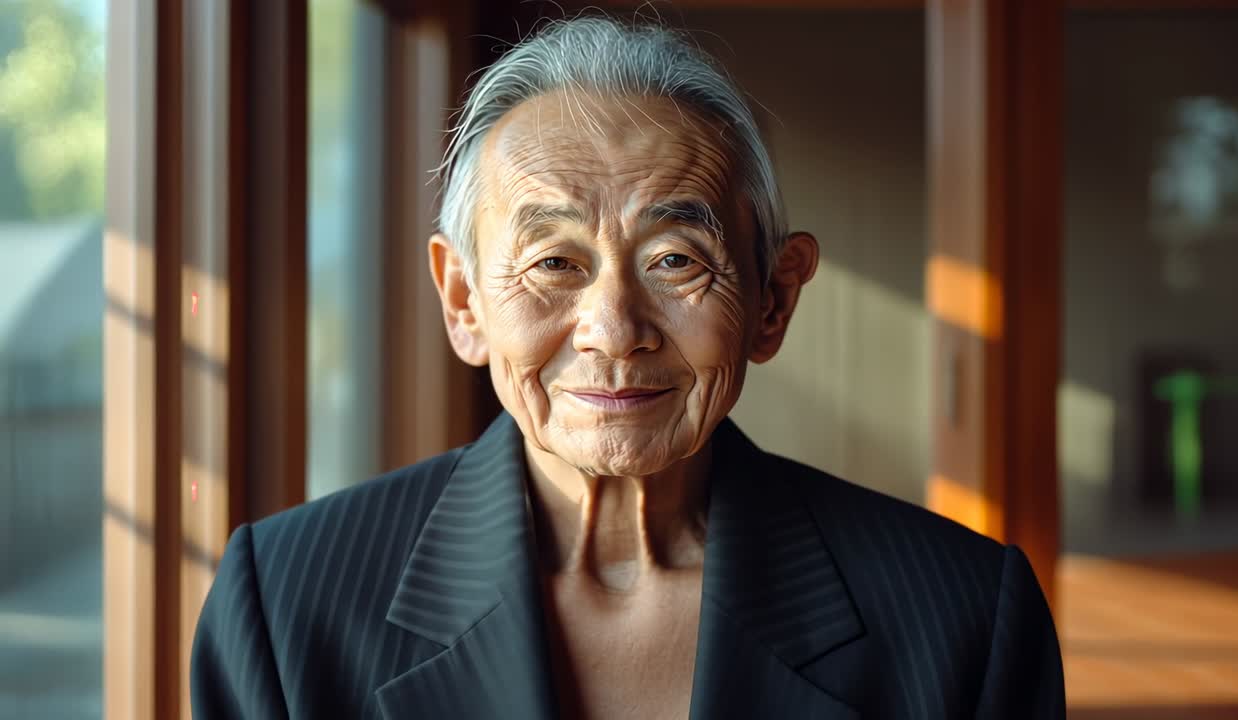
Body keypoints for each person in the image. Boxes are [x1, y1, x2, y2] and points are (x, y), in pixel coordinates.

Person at [191, 15, 1065, 720]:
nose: (613, 330)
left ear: (773, 300)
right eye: (553, 263)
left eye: (677, 259)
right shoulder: (288, 603)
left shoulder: (963, 618)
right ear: (464, 302)